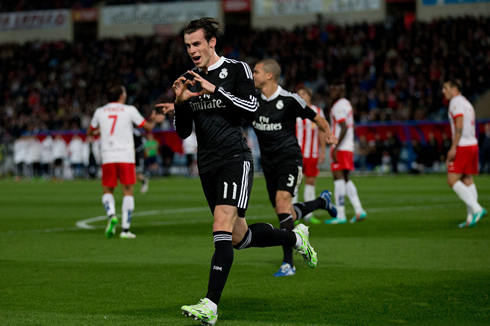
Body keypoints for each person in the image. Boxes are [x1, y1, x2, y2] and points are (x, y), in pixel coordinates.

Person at [157, 18, 319, 326]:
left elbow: (251, 108)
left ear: (212, 43)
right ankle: (296, 239)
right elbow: (182, 132)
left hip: (234, 157)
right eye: (188, 45)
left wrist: (213, 88)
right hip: (206, 164)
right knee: (237, 237)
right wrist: (180, 102)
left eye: (197, 44)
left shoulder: (237, 70)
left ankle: (210, 305)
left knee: (221, 224)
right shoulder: (189, 79)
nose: (192, 50)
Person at [252, 59, 338, 277]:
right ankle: (321, 201)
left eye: (256, 72)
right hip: (268, 164)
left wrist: (328, 133)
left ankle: (288, 263)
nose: (253, 75)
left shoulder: (290, 100)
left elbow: (317, 118)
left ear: (269, 75)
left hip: (289, 159)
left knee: (282, 204)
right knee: (286, 212)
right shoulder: (252, 100)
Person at [87, 85, 164, 239]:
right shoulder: (129, 110)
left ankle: (111, 215)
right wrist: (154, 120)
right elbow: (147, 127)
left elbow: (90, 132)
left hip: (108, 156)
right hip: (126, 157)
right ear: (121, 96)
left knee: (107, 190)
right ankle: (125, 230)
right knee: (128, 192)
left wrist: (103, 130)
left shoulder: (100, 112)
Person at [441, 79, 486, 228]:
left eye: (446, 88)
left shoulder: (456, 102)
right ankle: (470, 218)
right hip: (472, 144)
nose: (443, 91)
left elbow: (459, 123)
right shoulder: (467, 102)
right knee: (467, 180)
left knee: (452, 180)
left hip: (462, 145)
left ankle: (477, 209)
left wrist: (453, 147)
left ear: (454, 90)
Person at [324, 80, 367, 225]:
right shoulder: (347, 103)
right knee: (346, 178)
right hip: (348, 146)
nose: (331, 91)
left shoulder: (338, 106)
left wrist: (335, 147)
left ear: (341, 91)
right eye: (331, 88)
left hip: (341, 147)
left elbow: (343, 126)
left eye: (335, 89)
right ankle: (359, 210)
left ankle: (340, 214)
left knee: (338, 178)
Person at [293, 86, 327, 225]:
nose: (301, 96)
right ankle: (293, 215)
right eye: (299, 94)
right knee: (295, 184)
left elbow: (321, 131)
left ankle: (309, 215)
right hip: (296, 153)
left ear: (309, 95)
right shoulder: (293, 110)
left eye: (303, 94)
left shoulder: (317, 111)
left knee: (311, 183)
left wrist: (323, 150)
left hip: (312, 153)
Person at [133, 128, 150, 193]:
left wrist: (136, 150)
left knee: (137, 173)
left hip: (137, 156)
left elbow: (142, 144)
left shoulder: (135, 132)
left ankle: (144, 181)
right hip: (131, 156)